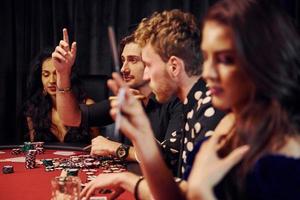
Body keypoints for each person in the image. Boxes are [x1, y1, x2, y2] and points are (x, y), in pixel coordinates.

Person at [81, 9, 224, 200]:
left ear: (174, 67)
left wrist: (127, 179)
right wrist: (139, 136)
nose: (146, 76)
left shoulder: (209, 109)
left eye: (148, 65)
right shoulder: (194, 104)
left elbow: (191, 196)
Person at [186, 0, 300, 199]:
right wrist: (141, 135)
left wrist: (200, 194)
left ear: (262, 63)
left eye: (226, 60)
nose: (207, 73)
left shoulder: (286, 156)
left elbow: (196, 190)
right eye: (206, 57)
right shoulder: (229, 124)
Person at [52, 30, 183, 173]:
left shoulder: (177, 100)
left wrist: (116, 148)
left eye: (133, 60)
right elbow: (71, 118)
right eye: (123, 60)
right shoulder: (128, 98)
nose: (123, 68)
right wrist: (63, 73)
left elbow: (169, 158)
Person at [23, 48, 99, 143]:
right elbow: (35, 149)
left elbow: (98, 148)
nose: (51, 81)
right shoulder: (34, 110)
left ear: (68, 76)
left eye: (57, 74)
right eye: (46, 75)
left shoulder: (87, 106)